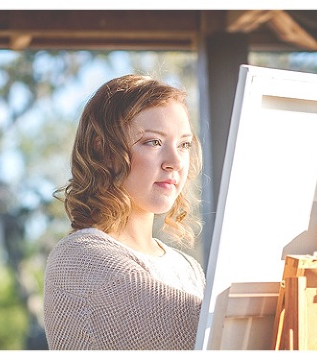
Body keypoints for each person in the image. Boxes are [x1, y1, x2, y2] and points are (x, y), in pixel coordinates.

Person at [43, 74, 205, 350]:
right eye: (153, 142)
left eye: (184, 144)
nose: (176, 162)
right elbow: (200, 331)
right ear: (103, 151)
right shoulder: (78, 259)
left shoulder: (188, 267)